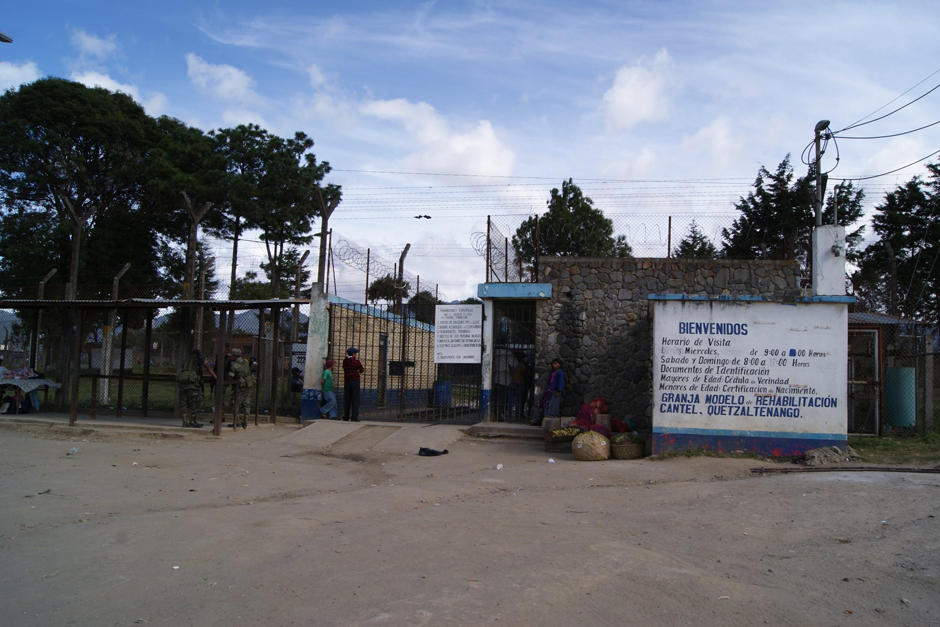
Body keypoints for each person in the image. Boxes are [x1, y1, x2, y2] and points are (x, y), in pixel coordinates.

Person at [532, 358, 565, 425]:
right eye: (553, 364)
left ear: (559, 365)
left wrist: (558, 390)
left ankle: (553, 415)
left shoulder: (560, 372)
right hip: (549, 389)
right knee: (548, 402)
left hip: (555, 390)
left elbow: (560, 382)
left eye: (556, 364)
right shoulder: (552, 372)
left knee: (554, 403)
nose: (554, 365)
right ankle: (547, 415)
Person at [228, 348, 255, 429]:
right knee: (246, 403)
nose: (230, 357)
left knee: (234, 403)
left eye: (231, 355)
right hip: (249, 384)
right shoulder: (245, 362)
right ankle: (245, 421)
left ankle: (237, 422)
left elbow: (230, 377)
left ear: (235, 356)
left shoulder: (234, 364)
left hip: (240, 386)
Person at [177, 350, 205, 428]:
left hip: (182, 385)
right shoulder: (197, 360)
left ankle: (184, 422)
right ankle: (193, 421)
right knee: (194, 404)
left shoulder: (185, 360)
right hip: (192, 386)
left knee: (183, 404)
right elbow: (200, 371)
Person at [342, 347, 364, 421]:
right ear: (353, 354)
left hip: (347, 381)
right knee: (355, 400)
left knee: (347, 399)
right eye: (356, 353)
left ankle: (346, 416)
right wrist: (357, 370)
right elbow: (361, 370)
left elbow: (344, 368)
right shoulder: (356, 362)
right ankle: (354, 417)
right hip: (355, 381)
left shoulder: (345, 361)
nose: (356, 355)